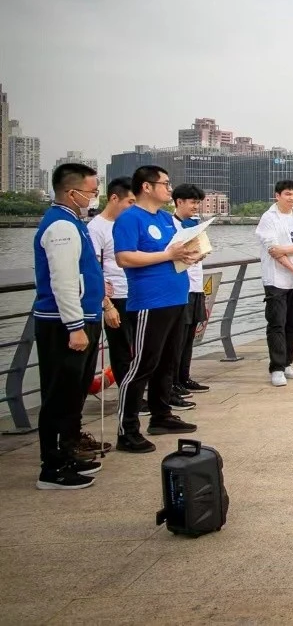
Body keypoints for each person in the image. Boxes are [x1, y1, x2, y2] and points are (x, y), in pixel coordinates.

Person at [114, 165, 201, 451]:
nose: (169, 188)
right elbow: (124, 258)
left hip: (176, 296)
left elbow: (171, 253)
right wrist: (167, 254)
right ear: (146, 187)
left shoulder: (165, 219)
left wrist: (185, 255)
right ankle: (127, 430)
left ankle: (161, 415)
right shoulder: (130, 219)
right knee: (142, 364)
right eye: (164, 183)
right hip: (150, 301)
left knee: (168, 361)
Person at [33, 163, 106, 488]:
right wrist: (75, 326)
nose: (94, 197)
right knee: (59, 396)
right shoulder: (61, 227)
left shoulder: (73, 223)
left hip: (82, 318)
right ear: (71, 192)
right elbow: (63, 281)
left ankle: (69, 452)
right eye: (91, 192)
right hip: (64, 325)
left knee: (73, 393)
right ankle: (53, 466)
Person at [86, 177, 135, 448]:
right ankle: (127, 401)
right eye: (129, 202)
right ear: (114, 198)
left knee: (137, 349)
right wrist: (106, 304)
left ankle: (136, 395)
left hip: (135, 294)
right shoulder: (97, 228)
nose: (131, 207)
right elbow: (94, 269)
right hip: (114, 298)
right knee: (120, 351)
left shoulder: (125, 224)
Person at [255, 179, 293, 387]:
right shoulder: (268, 218)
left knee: (292, 323)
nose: (292, 198)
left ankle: (288, 363)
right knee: (276, 323)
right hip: (276, 279)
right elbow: (272, 250)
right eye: (288, 194)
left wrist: (285, 249)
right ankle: (277, 368)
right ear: (277, 196)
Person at [171, 184, 211, 404]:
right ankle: (172, 382)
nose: (196, 206)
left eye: (198, 202)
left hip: (196, 285)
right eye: (192, 202)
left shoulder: (194, 225)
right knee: (177, 337)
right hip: (181, 288)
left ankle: (184, 377)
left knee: (189, 336)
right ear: (179, 202)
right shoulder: (171, 225)